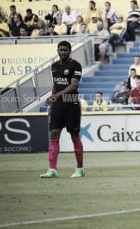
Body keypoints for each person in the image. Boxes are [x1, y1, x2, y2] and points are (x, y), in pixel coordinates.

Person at [40, 41, 85, 178]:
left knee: (74, 135)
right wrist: (52, 102)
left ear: (70, 51)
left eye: (65, 50)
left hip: (71, 103)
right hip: (58, 105)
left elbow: (73, 85)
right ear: (57, 51)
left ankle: (80, 168)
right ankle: (52, 170)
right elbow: (56, 84)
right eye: (61, 50)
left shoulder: (76, 65)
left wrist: (57, 96)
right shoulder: (54, 67)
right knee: (54, 133)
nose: (63, 52)